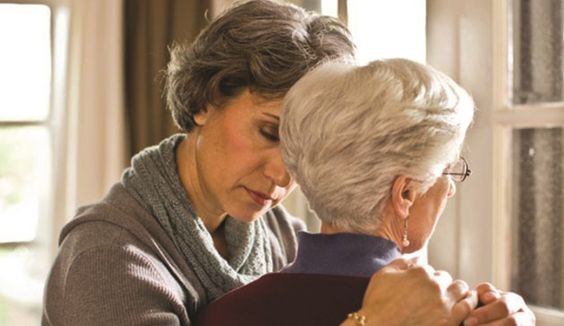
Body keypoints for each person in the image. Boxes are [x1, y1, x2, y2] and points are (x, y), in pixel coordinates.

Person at [41, 0, 533, 325]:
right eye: (270, 132)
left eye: (302, 143)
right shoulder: (105, 259)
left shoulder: (277, 235)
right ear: (203, 101)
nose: (284, 173)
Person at [194, 59, 536, 326]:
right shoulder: (464, 317)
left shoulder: (227, 313)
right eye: (449, 171)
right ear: (404, 195)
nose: (449, 192)